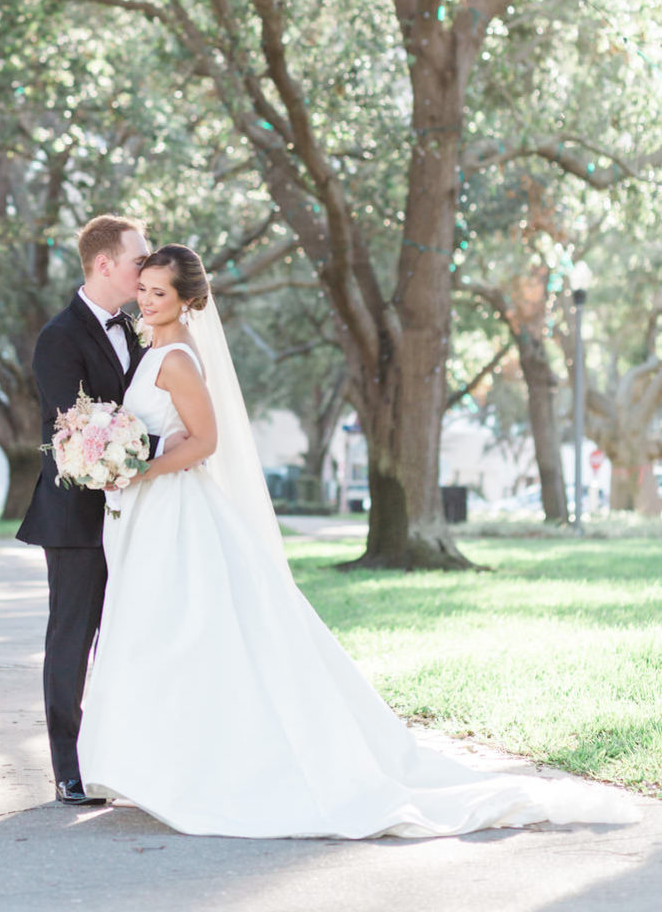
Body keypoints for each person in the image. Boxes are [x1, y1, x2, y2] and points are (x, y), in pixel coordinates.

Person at [77, 244, 638, 839]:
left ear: (188, 300)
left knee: (184, 631)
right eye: (144, 289)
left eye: (159, 293)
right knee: (159, 632)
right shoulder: (154, 348)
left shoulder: (179, 360)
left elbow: (204, 442)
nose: (146, 300)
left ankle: (199, 768)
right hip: (152, 511)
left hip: (176, 510)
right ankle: (160, 763)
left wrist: (141, 467)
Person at [16, 214, 151, 807]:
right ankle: (68, 769)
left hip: (140, 512)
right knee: (73, 639)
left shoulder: (141, 329)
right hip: (76, 519)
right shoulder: (59, 336)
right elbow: (69, 434)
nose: (145, 269)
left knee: (133, 636)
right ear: (104, 264)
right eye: (138, 259)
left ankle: (126, 758)